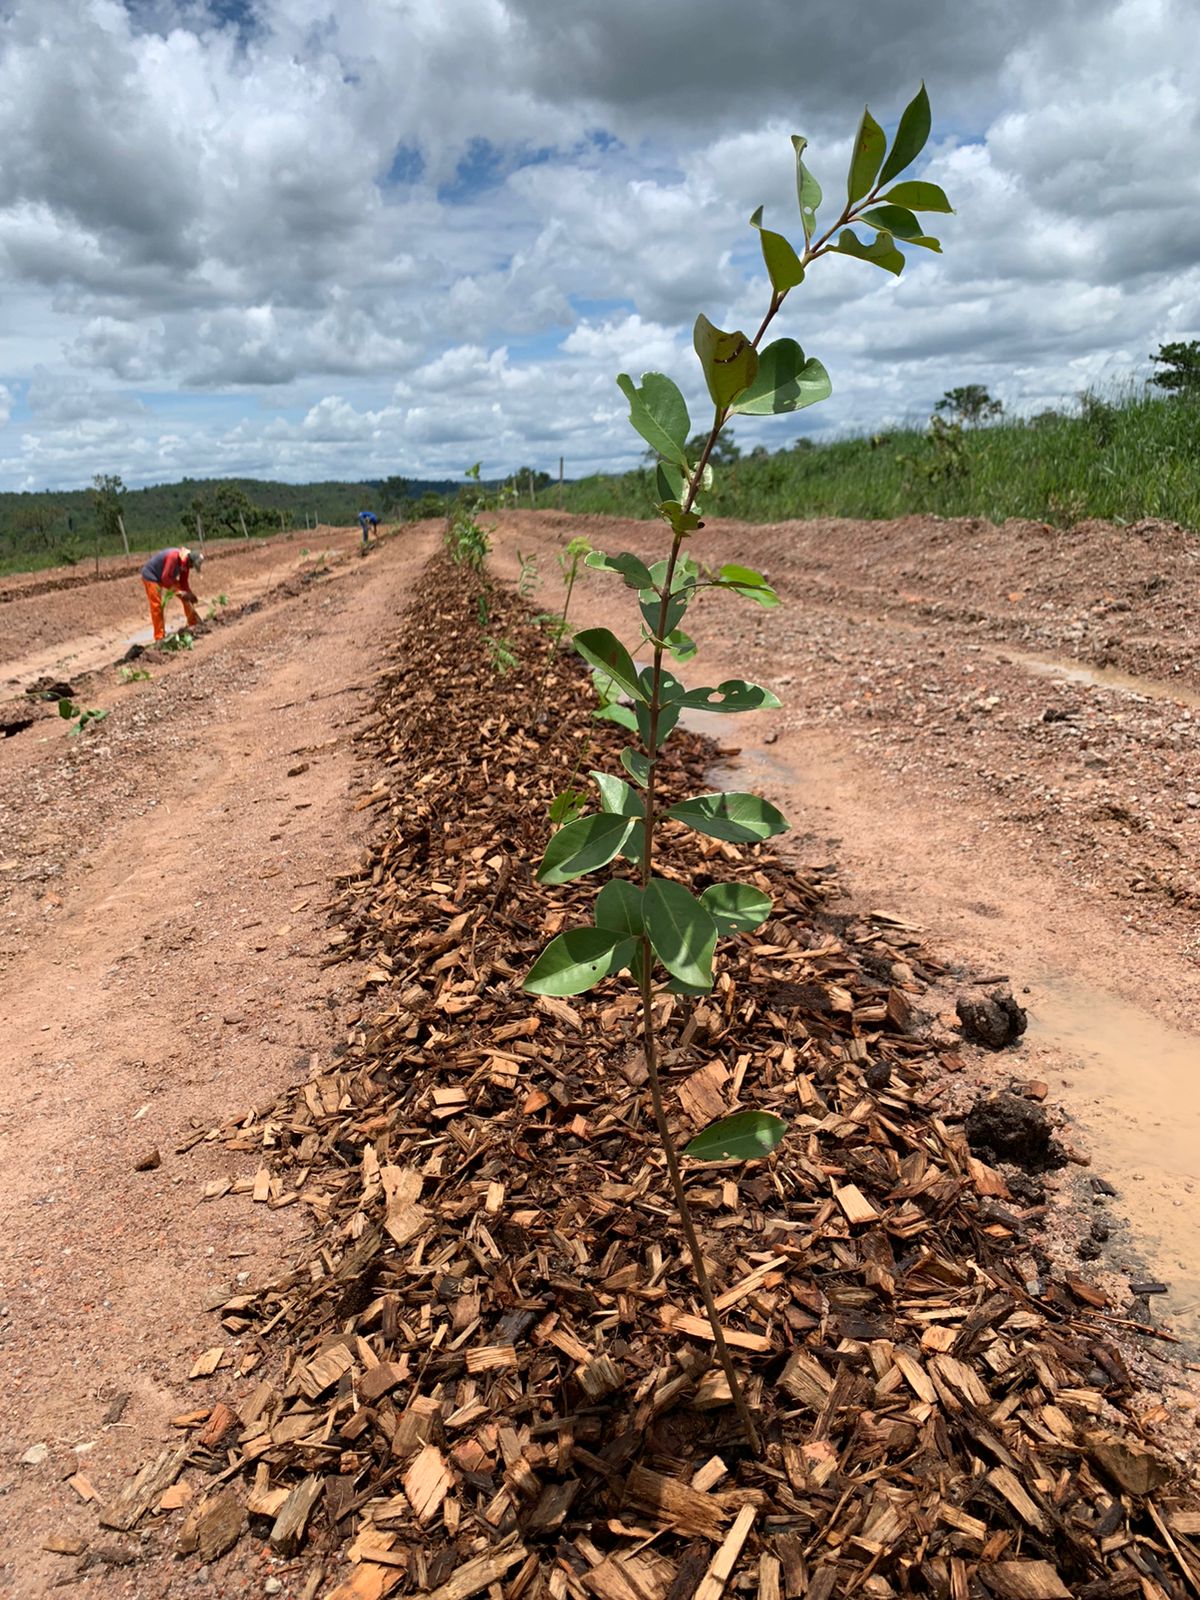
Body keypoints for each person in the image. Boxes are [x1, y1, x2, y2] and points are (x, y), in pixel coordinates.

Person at [140, 546, 203, 641]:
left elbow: (184, 583)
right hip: (152, 577)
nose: (192, 567)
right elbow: (165, 579)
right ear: (190, 560)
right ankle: (159, 637)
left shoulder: (185, 563)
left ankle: (193, 622)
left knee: (185, 596)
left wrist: (189, 594)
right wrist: (180, 592)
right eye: (192, 565)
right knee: (156, 606)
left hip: (166, 577)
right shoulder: (173, 557)